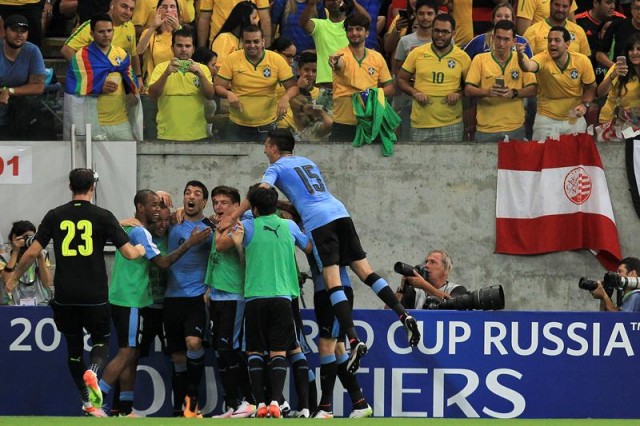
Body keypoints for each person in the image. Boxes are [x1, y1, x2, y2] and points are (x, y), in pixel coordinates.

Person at [220, 129, 421, 375]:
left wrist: (233, 215)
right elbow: (302, 199)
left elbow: (261, 193)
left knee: (331, 278)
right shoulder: (307, 162)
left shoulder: (276, 168)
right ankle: (403, 315)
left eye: (266, 148)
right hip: (340, 212)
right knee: (364, 270)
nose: (265, 152)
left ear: (273, 147)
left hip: (319, 222)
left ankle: (354, 339)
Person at [3, 168, 145, 418]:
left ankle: (87, 401)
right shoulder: (103, 216)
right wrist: (141, 249)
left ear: (70, 186)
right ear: (93, 187)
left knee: (73, 349)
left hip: (65, 295)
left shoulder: (55, 215)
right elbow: (129, 254)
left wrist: (13, 277)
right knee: (101, 342)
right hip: (95, 295)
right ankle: (94, 370)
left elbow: (32, 252)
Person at [98, 190, 211, 417]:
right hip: (136, 302)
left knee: (135, 353)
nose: (160, 217)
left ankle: (130, 409)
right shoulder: (140, 232)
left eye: (165, 216)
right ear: (144, 209)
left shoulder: (160, 233)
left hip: (159, 304)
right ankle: (97, 399)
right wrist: (189, 242)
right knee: (128, 352)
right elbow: (162, 262)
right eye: (155, 210)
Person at [218, 186, 312, 419]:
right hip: (282, 297)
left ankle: (259, 403)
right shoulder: (288, 226)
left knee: (255, 352)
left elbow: (221, 242)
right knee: (279, 351)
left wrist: (238, 235)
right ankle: (274, 401)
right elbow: (309, 246)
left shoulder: (247, 226)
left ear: (254, 207)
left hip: (255, 297)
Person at [203, 185, 256, 418]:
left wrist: (220, 223)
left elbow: (221, 246)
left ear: (236, 207)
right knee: (220, 351)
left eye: (224, 202)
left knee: (230, 349)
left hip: (234, 296)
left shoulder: (237, 225)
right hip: (216, 294)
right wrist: (208, 286)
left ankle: (249, 400)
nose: (218, 206)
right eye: (215, 202)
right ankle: (233, 404)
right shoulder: (219, 225)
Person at [163, 180, 214, 418]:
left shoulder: (209, 229)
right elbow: (140, 220)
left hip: (195, 298)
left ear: (204, 202)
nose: (191, 197)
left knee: (194, 343)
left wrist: (210, 289)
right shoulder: (173, 223)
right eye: (187, 193)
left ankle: (192, 400)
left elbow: (220, 260)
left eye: (197, 194)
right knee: (177, 357)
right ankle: (179, 408)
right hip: (171, 298)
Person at [309, 258, 373, 419]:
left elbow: (310, 247)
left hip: (332, 290)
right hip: (330, 289)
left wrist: (293, 233)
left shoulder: (315, 231)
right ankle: (360, 403)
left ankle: (325, 408)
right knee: (338, 348)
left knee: (326, 346)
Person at [215, 25, 298, 142]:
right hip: (237, 124)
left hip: (267, 124)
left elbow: (293, 87)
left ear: (263, 42)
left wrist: (286, 98)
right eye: (248, 42)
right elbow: (218, 86)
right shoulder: (232, 59)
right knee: (234, 160)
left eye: (256, 41)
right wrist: (228, 94)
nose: (252, 45)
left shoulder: (276, 60)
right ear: (242, 43)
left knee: (265, 159)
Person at [63, 14, 139, 142]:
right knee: (94, 162)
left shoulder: (121, 54)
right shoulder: (81, 57)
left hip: (121, 122)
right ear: (92, 34)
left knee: (127, 160)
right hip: (93, 124)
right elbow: (74, 86)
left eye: (109, 31)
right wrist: (97, 87)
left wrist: (131, 91)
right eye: (101, 31)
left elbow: (130, 79)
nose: (106, 35)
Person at [397, 13, 471, 143]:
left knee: (451, 163)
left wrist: (459, 94)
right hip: (420, 123)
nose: (440, 35)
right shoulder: (417, 53)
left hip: (451, 124)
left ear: (453, 33)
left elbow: (471, 88)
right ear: (432, 30)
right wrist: (415, 92)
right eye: (436, 31)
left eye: (445, 32)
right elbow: (401, 79)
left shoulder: (463, 57)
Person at [517, 25, 596, 140]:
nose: (552, 44)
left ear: (567, 44)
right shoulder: (542, 58)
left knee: (575, 157)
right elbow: (528, 66)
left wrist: (584, 105)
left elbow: (591, 87)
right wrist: (520, 57)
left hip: (574, 119)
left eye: (557, 40)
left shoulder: (582, 61)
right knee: (542, 157)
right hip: (546, 120)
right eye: (549, 40)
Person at [464, 19, 537, 143]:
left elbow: (533, 89)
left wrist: (514, 93)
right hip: (486, 129)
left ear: (514, 41)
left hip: (515, 127)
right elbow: (468, 90)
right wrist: (487, 92)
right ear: (492, 37)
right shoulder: (480, 59)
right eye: (498, 38)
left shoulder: (521, 59)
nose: (501, 43)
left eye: (506, 39)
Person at [328, 13, 396, 142]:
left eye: (358, 29)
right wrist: (334, 62)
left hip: (370, 122)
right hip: (343, 123)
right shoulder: (340, 55)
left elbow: (390, 88)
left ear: (367, 33)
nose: (354, 33)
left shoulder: (377, 57)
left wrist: (372, 93)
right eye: (350, 30)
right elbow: (338, 63)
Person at [300, 0, 370, 114]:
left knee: (350, 128)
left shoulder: (352, 28)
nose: (334, 1)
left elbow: (367, 20)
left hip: (351, 89)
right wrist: (311, 4)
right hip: (326, 90)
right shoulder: (319, 25)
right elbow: (304, 23)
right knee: (324, 128)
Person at [148, 26, 216, 141]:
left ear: (193, 49)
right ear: (172, 48)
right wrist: (166, 74)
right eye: (179, 45)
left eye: (187, 46)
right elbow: (153, 95)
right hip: (167, 135)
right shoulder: (161, 68)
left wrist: (200, 74)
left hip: (197, 135)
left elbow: (210, 95)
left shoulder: (202, 69)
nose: (184, 49)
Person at [61, 0, 142, 89]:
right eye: (124, 6)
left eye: (131, 9)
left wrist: (138, 77)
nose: (128, 12)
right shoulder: (92, 25)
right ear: (112, 4)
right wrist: (91, 78)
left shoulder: (130, 26)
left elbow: (133, 54)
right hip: (95, 88)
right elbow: (66, 50)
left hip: (121, 86)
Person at [0, 14, 46, 140]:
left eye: (23, 31)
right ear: (4, 31)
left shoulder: (32, 51)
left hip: (20, 111)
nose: (19, 34)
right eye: (14, 30)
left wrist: (9, 91)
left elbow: (38, 87)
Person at [596, 34, 640, 139]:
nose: (634, 53)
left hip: (636, 122)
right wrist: (613, 75)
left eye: (639, 49)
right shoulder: (618, 67)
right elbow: (600, 93)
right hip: (613, 120)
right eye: (631, 49)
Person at [0, 220, 52, 306]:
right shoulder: (4, 258)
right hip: (13, 305)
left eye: (32, 238)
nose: (29, 241)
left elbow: (47, 283)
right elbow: (7, 282)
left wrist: (39, 257)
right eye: (26, 237)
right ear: (14, 238)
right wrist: (15, 251)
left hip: (39, 304)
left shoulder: (43, 255)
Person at [395, 250, 468, 310]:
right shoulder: (415, 292)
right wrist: (401, 290)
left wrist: (424, 285)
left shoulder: (457, 289)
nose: (426, 265)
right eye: (426, 262)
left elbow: (453, 302)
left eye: (433, 262)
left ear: (445, 269)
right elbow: (388, 314)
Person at [575, 0, 625, 84]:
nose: (613, 6)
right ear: (595, 3)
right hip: (584, 74)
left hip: (615, 76)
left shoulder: (621, 20)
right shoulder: (577, 21)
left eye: (614, 3)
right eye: (608, 3)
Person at [464, 3, 533, 60]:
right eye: (499, 16)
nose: (503, 19)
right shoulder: (479, 40)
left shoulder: (522, 42)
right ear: (493, 19)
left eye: (507, 16)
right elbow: (463, 61)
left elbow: (530, 67)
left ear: (512, 20)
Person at [136, 0, 182, 86]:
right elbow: (139, 51)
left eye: (172, 7)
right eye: (164, 7)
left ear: (178, 11)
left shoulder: (184, 32)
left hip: (177, 84)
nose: (168, 10)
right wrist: (153, 26)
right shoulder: (149, 32)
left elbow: (188, 56)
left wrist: (178, 29)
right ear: (158, 11)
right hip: (153, 83)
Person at [523, 0, 590, 56]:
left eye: (565, 6)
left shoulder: (579, 31)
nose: (560, 9)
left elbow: (586, 62)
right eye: (557, 5)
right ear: (550, 5)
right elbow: (524, 63)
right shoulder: (532, 31)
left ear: (570, 8)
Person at [197, 0, 271, 49]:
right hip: (219, 43)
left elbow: (265, 19)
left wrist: (266, 49)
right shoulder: (222, 39)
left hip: (249, 42)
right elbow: (204, 18)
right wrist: (201, 49)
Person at [595, 0, 640, 77]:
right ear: (631, 10)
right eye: (637, 8)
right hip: (618, 77)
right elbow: (599, 55)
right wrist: (616, 68)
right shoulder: (617, 26)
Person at [210, 1, 259, 67]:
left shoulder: (247, 41)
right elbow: (218, 67)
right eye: (254, 18)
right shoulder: (224, 38)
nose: (256, 22)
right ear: (244, 18)